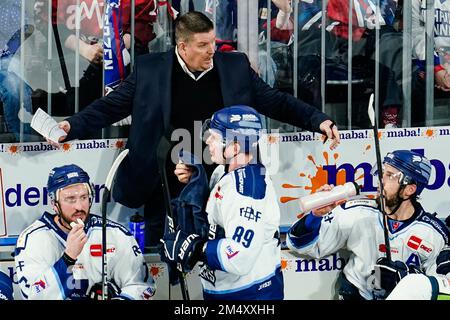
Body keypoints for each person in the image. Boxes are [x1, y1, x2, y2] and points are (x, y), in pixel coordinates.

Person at [52, 11, 340, 248]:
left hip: (219, 180)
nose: (212, 50)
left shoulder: (234, 66)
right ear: (183, 46)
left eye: (213, 42)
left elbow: (275, 102)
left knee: (218, 250)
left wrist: (317, 120)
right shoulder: (150, 69)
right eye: (203, 45)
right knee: (162, 252)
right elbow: (109, 107)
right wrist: (71, 125)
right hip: (162, 182)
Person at [286, 149, 449, 300]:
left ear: (410, 190)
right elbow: (299, 245)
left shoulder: (434, 234)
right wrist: (315, 216)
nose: (380, 180)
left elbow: (442, 290)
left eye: (390, 175)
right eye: (382, 172)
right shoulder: (355, 212)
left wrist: (406, 280)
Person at [161, 105, 284, 300]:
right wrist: (195, 181)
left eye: (215, 136)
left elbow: (240, 257)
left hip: (250, 296)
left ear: (235, 146)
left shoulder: (247, 190)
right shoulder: (223, 172)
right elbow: (216, 221)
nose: (208, 140)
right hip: (222, 291)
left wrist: (196, 248)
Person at [14, 164, 155, 300]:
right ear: (54, 204)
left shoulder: (115, 234)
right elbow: (34, 296)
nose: (79, 206)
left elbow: (141, 285)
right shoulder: (32, 239)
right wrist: (68, 258)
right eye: (70, 199)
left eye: (83, 197)